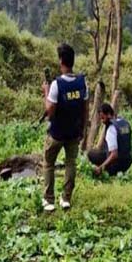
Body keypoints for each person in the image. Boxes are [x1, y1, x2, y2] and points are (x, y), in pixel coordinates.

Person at [41, 43, 88, 212]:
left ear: (61, 60)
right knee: (70, 164)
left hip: (57, 133)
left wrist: (46, 92)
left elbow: (50, 112)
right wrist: (83, 129)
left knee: (48, 164)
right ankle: (66, 198)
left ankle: (49, 200)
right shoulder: (82, 82)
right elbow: (85, 109)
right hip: (74, 132)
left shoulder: (56, 85)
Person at [88, 104, 132, 177]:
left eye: (103, 118)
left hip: (116, 165)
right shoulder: (124, 123)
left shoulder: (111, 129)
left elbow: (114, 154)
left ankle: (108, 171)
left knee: (91, 154)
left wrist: (101, 167)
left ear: (108, 114)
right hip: (128, 162)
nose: (102, 121)